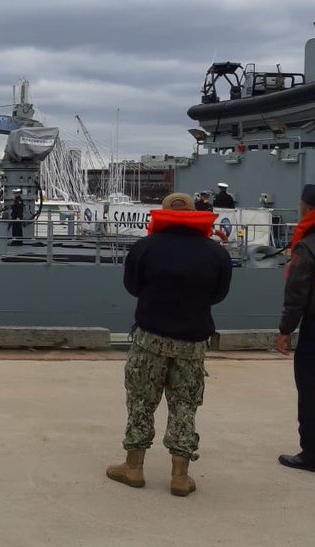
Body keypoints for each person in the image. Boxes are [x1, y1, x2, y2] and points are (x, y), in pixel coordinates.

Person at [107, 192, 231, 496]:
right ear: (193, 213)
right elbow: (218, 295)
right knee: (185, 406)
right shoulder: (216, 254)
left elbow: (133, 287)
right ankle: (179, 476)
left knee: (141, 402)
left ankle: (134, 468)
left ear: (163, 213)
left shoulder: (145, 248)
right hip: (192, 342)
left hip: (150, 338)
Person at [276, 184, 315, 472]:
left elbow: (297, 293)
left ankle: (310, 453)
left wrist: (285, 330)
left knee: (310, 388)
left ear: (305, 208)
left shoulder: (306, 245)